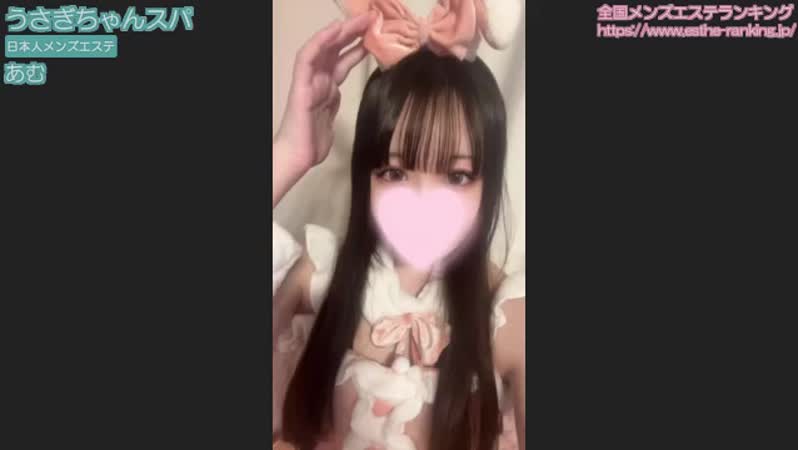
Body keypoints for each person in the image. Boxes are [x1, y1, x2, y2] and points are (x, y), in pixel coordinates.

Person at [272, 7, 524, 450]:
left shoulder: (507, 314)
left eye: (457, 176)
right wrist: (289, 154)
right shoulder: (321, 271)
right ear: (365, 175)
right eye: (394, 172)